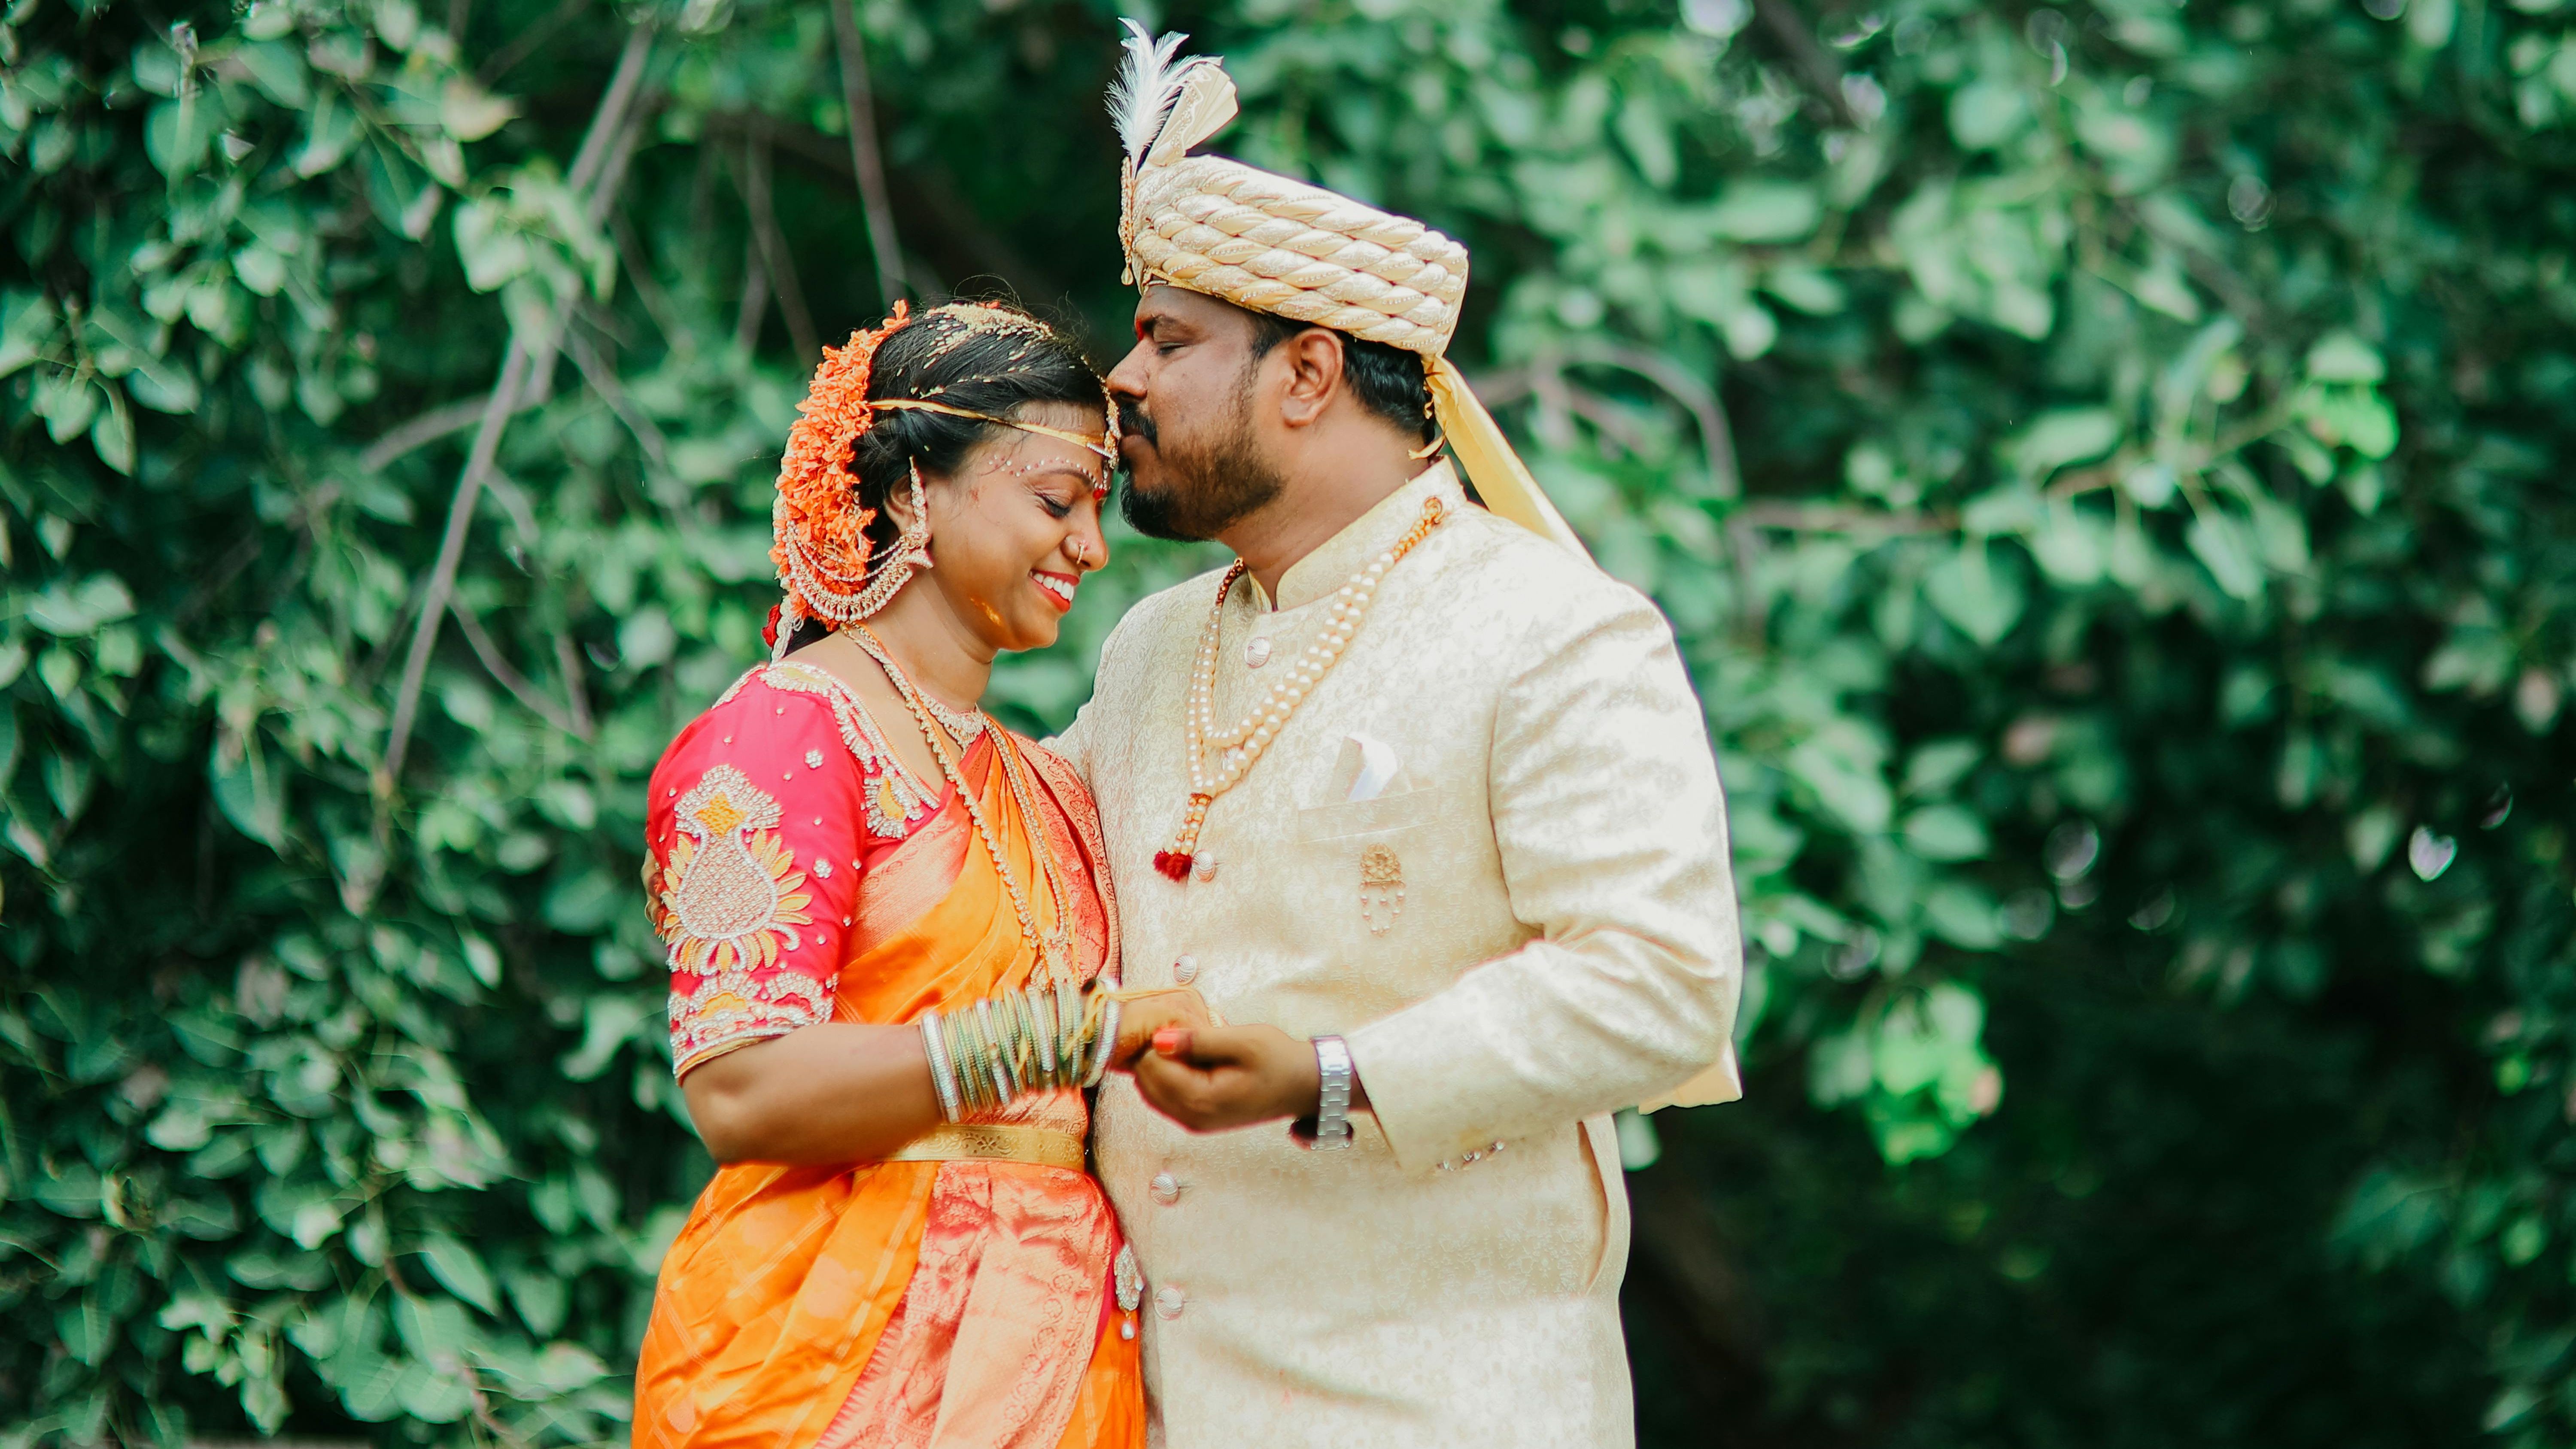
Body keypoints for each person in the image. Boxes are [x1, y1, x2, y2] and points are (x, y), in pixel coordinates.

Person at [1044, 30, 1746, 1448]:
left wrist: (1335, 1075)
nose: (1121, 380)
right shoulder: (1152, 644)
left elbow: (1665, 980)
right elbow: (1011, 861)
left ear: (1308, 374)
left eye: (1170, 341)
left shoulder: (1550, 629)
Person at [630, 301, 1202, 1449]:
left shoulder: (1045, 779)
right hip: (831, 1350)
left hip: (1061, 1349)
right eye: (1056, 502)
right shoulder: (783, 738)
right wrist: (1070, 1038)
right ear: (912, 493)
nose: (1090, 548)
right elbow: (740, 1088)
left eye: (1096, 512)